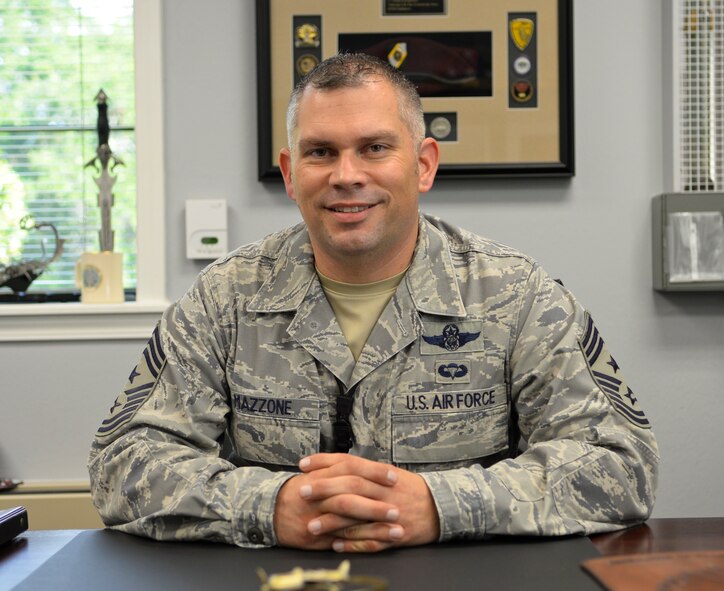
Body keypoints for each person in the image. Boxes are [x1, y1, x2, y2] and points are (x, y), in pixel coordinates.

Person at [88, 53, 659, 553]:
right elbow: (122, 463)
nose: (346, 175)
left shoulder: (517, 296)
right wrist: (274, 505)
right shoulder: (225, 299)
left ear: (424, 163)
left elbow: (619, 463)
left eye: (375, 148)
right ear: (291, 174)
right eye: (320, 152)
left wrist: (438, 506)